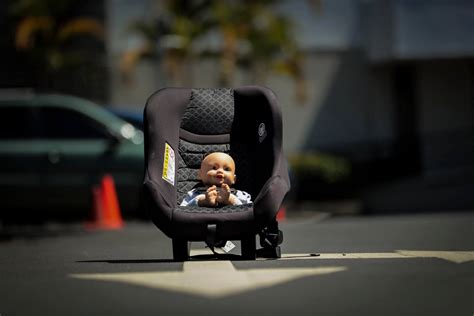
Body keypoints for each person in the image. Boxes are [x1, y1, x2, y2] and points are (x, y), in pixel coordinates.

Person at [180, 152, 251, 207]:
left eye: (226, 169)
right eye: (214, 168)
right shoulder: (193, 193)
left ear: (234, 179)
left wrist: (230, 200)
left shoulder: (240, 195)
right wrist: (203, 201)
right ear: (200, 175)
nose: (220, 171)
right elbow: (182, 210)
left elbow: (250, 211)